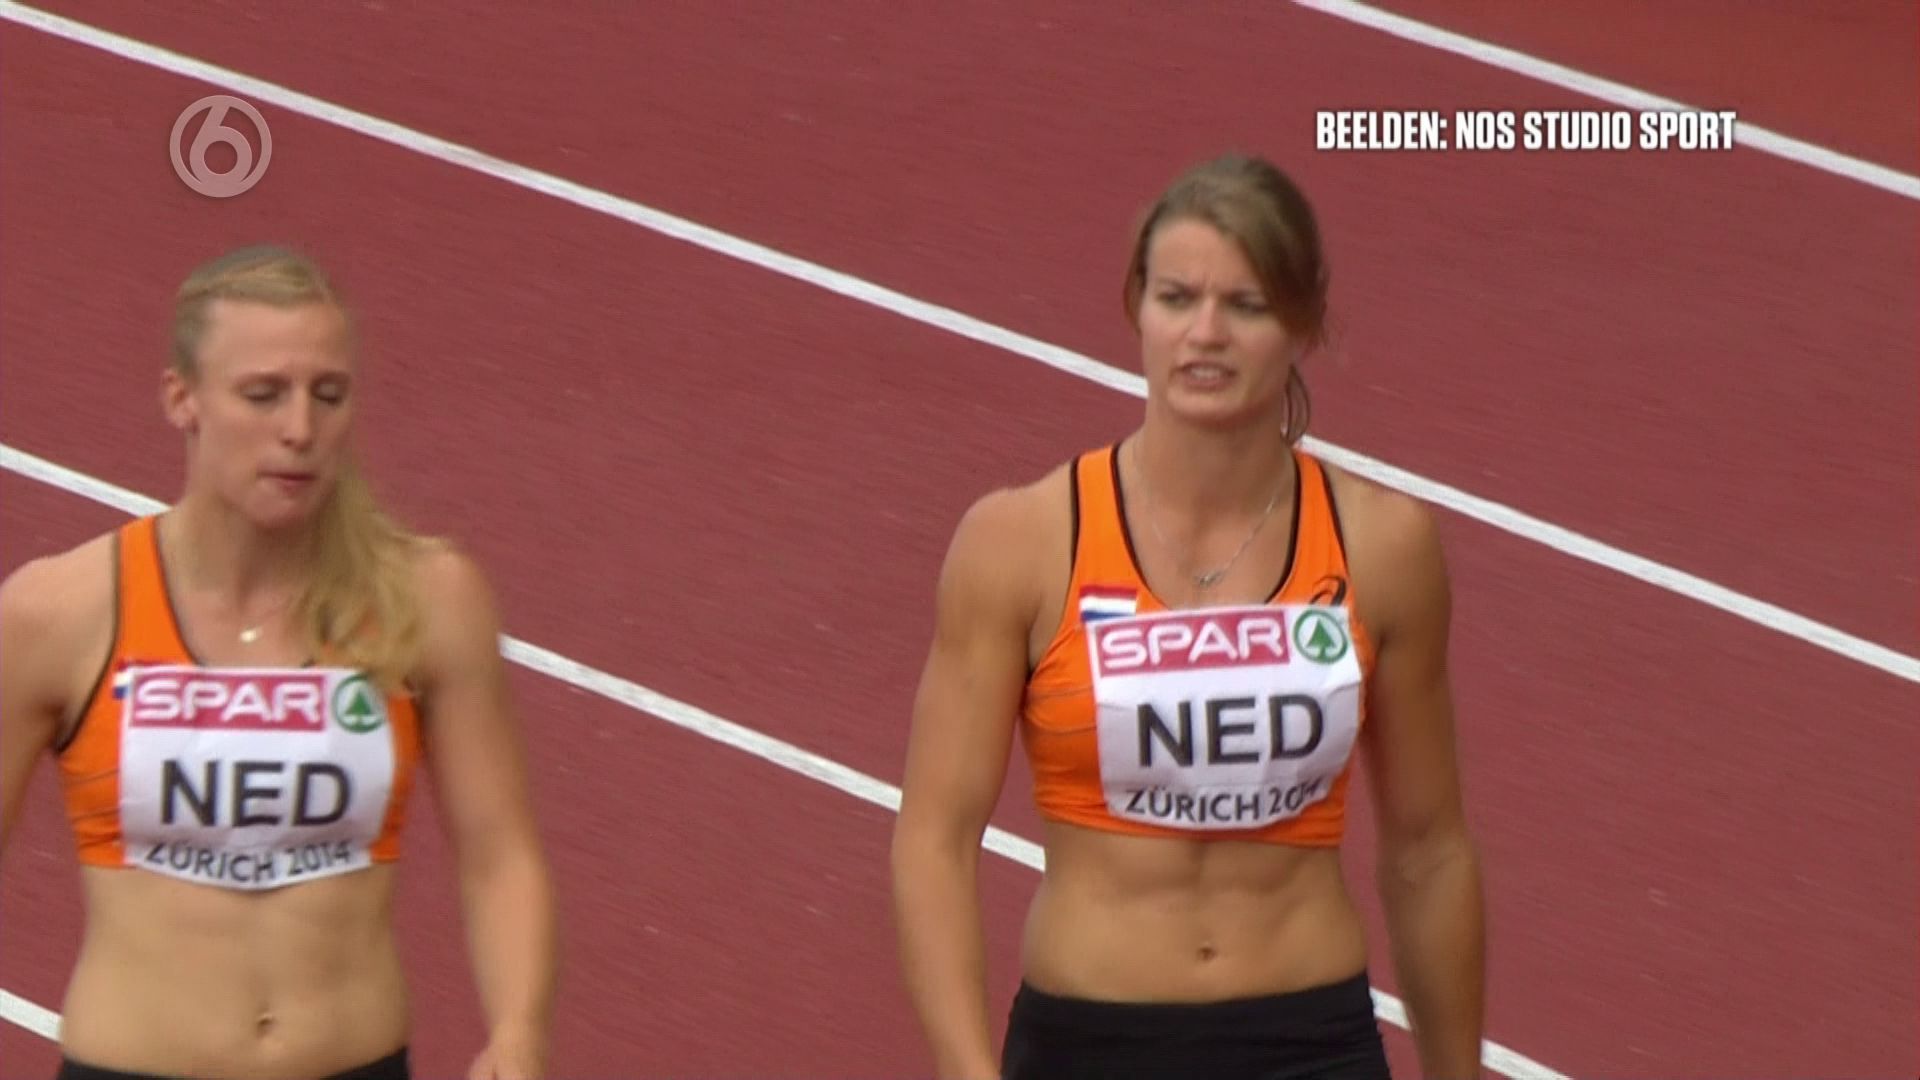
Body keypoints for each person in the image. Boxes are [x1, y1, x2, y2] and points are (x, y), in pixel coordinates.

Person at [891, 153, 1486, 1079]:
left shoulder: (1383, 547)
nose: (1205, 334)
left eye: (1245, 305)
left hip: (1309, 1043)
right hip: (1092, 1044)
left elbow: (1427, 850)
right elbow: (934, 839)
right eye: (1177, 298)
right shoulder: (1021, 542)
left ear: (1303, 322)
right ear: (1137, 307)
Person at [0, 245, 560, 1080]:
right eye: (262, 395)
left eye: (328, 395)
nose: (300, 429)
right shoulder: (60, 614)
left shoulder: (428, 600)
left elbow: (498, 853)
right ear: (181, 399)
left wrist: (518, 1033)